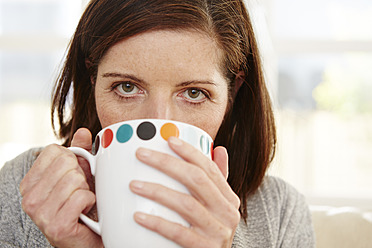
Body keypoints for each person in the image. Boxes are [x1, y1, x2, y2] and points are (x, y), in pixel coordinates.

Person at [0, 0, 315, 247]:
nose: (158, 124)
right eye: (126, 87)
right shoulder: (23, 190)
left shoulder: (281, 213)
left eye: (194, 93)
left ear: (232, 94)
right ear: (93, 81)